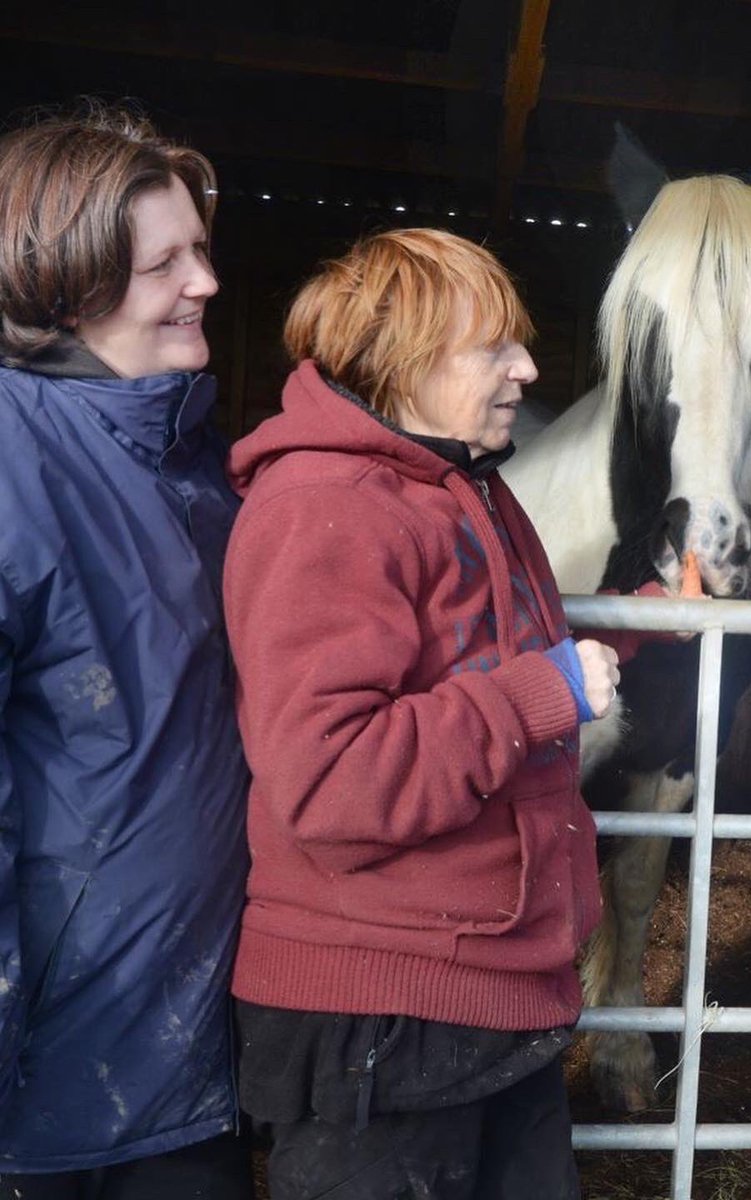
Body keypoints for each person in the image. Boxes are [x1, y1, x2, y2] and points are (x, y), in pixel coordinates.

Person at [224, 227, 643, 1200]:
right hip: (383, 1016)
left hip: (483, 989)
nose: (527, 369)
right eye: (493, 347)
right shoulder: (327, 506)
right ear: (401, 359)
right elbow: (329, 779)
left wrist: (647, 626)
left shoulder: (464, 490)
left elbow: (494, 654)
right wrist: (546, 694)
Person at [0, 103, 252, 1197]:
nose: (204, 282)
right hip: (54, 1071)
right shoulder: (14, 463)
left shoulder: (193, 464)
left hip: (187, 1051)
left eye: (200, 250)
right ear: (68, 285)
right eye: (165, 264)